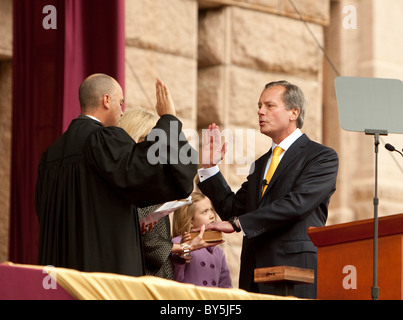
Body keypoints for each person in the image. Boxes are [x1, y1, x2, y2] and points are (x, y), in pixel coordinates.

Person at [35, 74, 198, 277]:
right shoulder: (102, 140)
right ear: (106, 100)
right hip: (101, 273)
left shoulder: (50, 155)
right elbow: (145, 170)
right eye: (120, 103)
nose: (122, 111)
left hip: (60, 272)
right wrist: (169, 121)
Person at [197, 80, 339, 299]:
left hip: (295, 274)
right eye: (259, 106)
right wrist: (209, 168)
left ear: (294, 112)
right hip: (254, 276)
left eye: (269, 106)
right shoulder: (262, 163)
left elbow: (297, 204)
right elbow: (232, 208)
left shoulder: (321, 157)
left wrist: (238, 223)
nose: (260, 112)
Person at [171, 192, 232, 288]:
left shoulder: (218, 251)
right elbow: (174, 281)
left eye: (212, 210)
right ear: (190, 221)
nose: (212, 215)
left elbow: (226, 288)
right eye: (205, 211)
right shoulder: (178, 243)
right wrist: (183, 253)